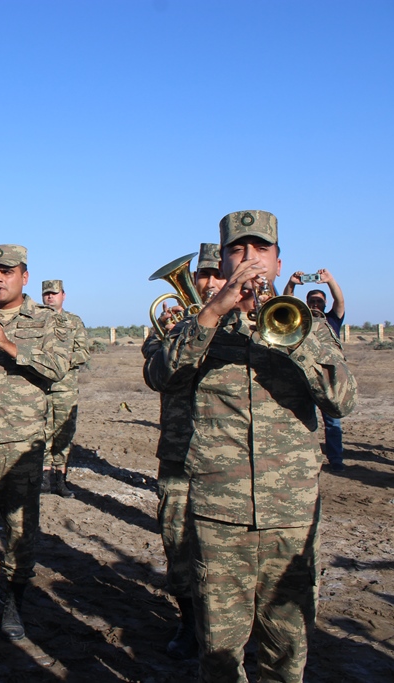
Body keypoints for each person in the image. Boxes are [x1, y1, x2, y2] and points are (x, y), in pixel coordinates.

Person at [147, 211, 357, 682]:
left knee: (286, 652)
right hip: (218, 515)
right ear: (222, 262)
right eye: (237, 250)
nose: (249, 259)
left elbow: (342, 401)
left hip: (291, 513)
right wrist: (212, 313)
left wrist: (294, 340)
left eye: (261, 249)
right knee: (219, 654)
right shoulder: (198, 325)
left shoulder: (310, 326)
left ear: (278, 264)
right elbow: (160, 376)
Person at [0, 245, 74, 642]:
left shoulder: (46, 319)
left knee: (21, 527)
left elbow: (58, 368)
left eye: (7, 272)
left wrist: (7, 344)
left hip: (22, 442)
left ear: (24, 276)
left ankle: (14, 603)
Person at [142, 242, 225, 660]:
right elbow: (155, 371)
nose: (209, 283)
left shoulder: (251, 320)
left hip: (228, 459)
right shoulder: (174, 323)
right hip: (179, 453)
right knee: (177, 542)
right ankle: (189, 620)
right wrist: (184, 329)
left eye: (217, 274)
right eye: (203, 275)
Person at [284, 269, 347, 472]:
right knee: (300, 419)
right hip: (302, 375)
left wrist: (330, 280)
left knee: (333, 422)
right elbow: (286, 302)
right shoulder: (299, 321)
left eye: (319, 301)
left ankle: (336, 460)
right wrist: (291, 284)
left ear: (325, 303)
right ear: (306, 302)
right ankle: (302, 459)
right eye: (312, 301)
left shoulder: (333, 319)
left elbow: (340, 301)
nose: (315, 304)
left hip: (327, 378)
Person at [39, 279, 90, 497]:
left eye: (54, 293)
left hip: (64, 389)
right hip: (41, 388)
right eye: (46, 294)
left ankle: (60, 480)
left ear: (63, 295)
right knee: (42, 434)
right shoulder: (36, 320)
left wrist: (60, 360)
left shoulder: (73, 322)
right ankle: (43, 480)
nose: (50, 297)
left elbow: (83, 352)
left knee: (64, 434)